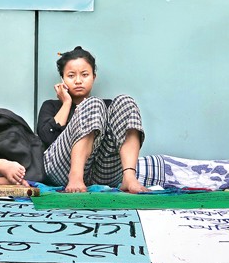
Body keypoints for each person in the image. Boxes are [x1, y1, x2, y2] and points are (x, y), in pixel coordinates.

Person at [37, 46, 147, 193]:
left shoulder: (108, 107)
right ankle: (76, 176)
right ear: (62, 79)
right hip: (62, 171)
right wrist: (66, 103)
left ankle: (129, 177)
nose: (78, 81)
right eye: (71, 76)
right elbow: (47, 138)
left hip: (104, 172)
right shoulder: (51, 106)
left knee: (126, 102)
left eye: (84, 75)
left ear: (93, 77)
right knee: (92, 103)